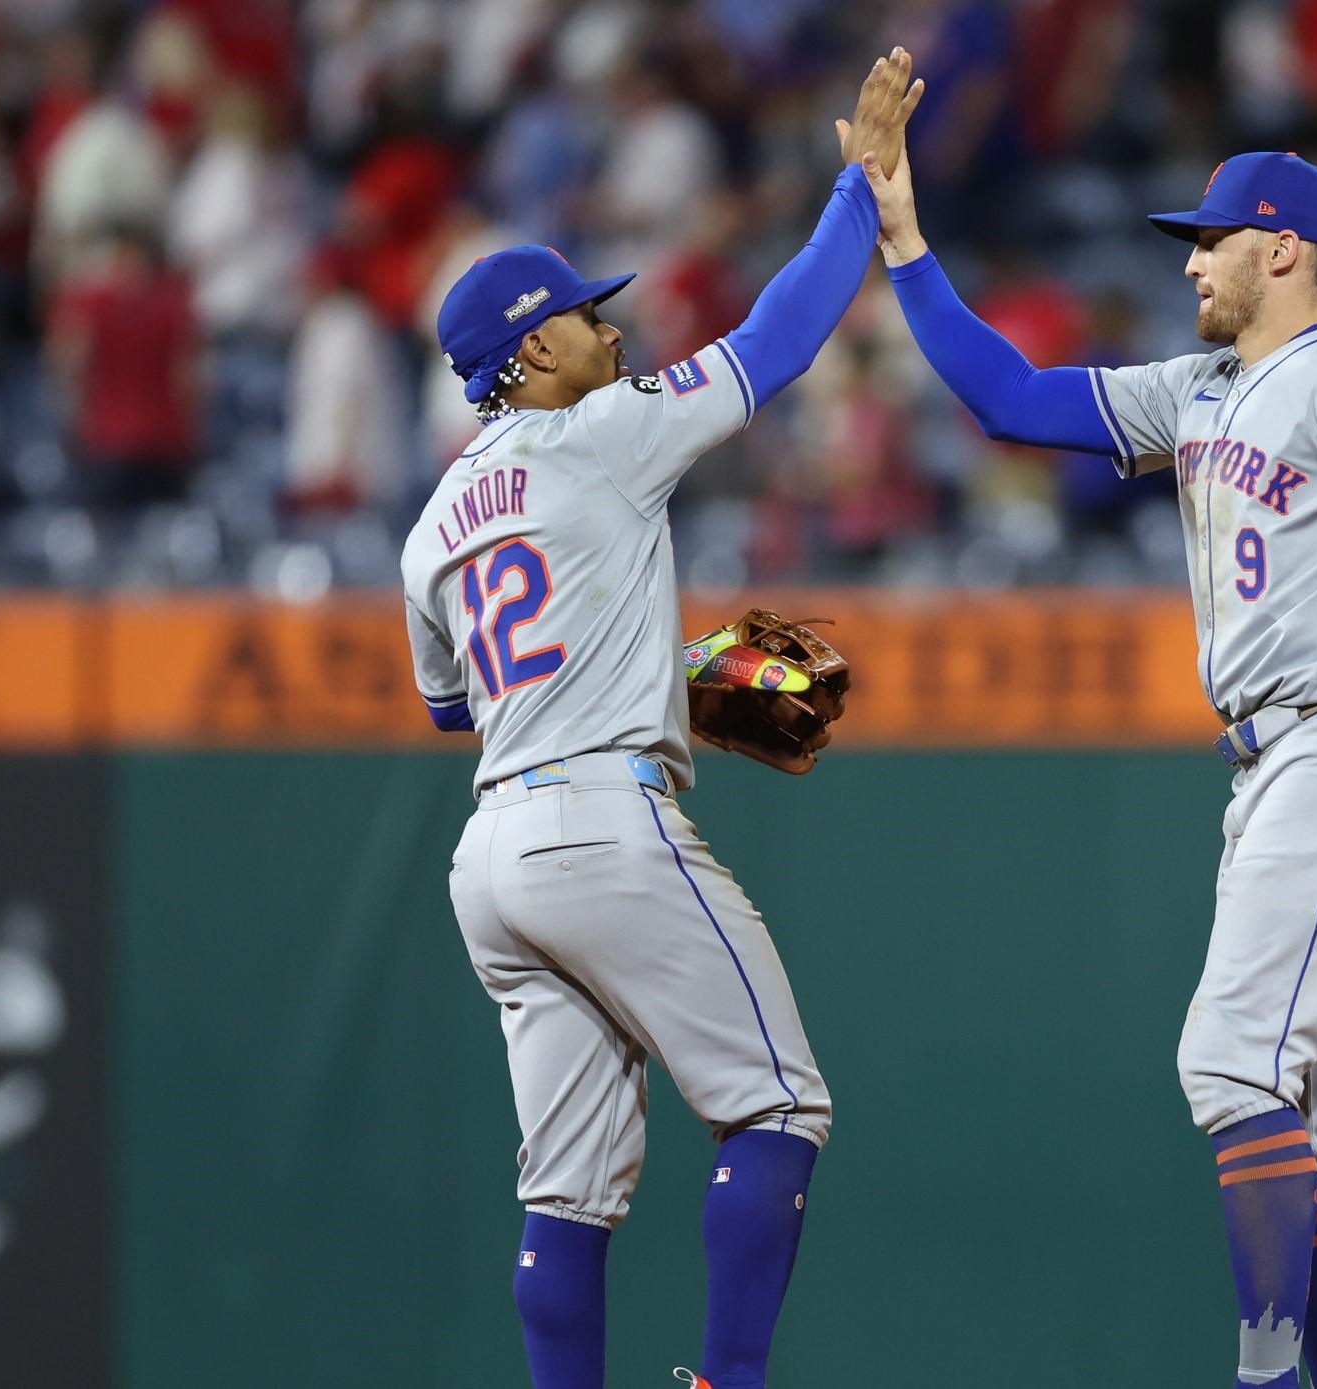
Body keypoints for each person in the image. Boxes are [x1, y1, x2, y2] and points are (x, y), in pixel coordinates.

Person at [863, 146, 1317, 1389]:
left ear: (1280, 248)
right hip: (1276, 759)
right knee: (1314, 1125)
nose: (1188, 260)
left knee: (1230, 1063)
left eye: (1211, 238)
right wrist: (904, 241)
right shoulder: (1201, 388)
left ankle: (1265, 1378)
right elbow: (1009, 399)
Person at [402, 51, 921, 1389]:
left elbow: (458, 706)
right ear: (528, 354)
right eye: (579, 320)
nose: (610, 330)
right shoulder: (602, 436)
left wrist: (652, 671)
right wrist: (858, 193)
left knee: (565, 1194)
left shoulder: (422, 536)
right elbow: (780, 340)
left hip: (494, 863)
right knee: (780, 1109)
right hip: (600, 827)